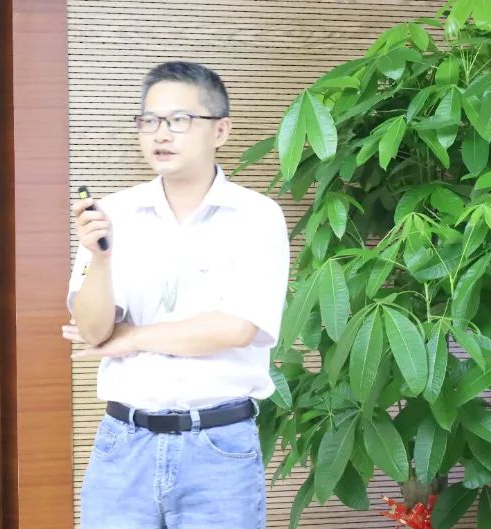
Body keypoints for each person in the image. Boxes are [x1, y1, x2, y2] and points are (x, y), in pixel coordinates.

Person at [64, 61, 289, 529]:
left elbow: (236, 327)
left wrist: (134, 337)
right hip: (123, 445)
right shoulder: (114, 213)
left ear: (220, 130)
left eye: (179, 120)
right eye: (148, 121)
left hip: (218, 447)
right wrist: (100, 259)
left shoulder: (256, 216)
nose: (160, 134)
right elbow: (93, 331)